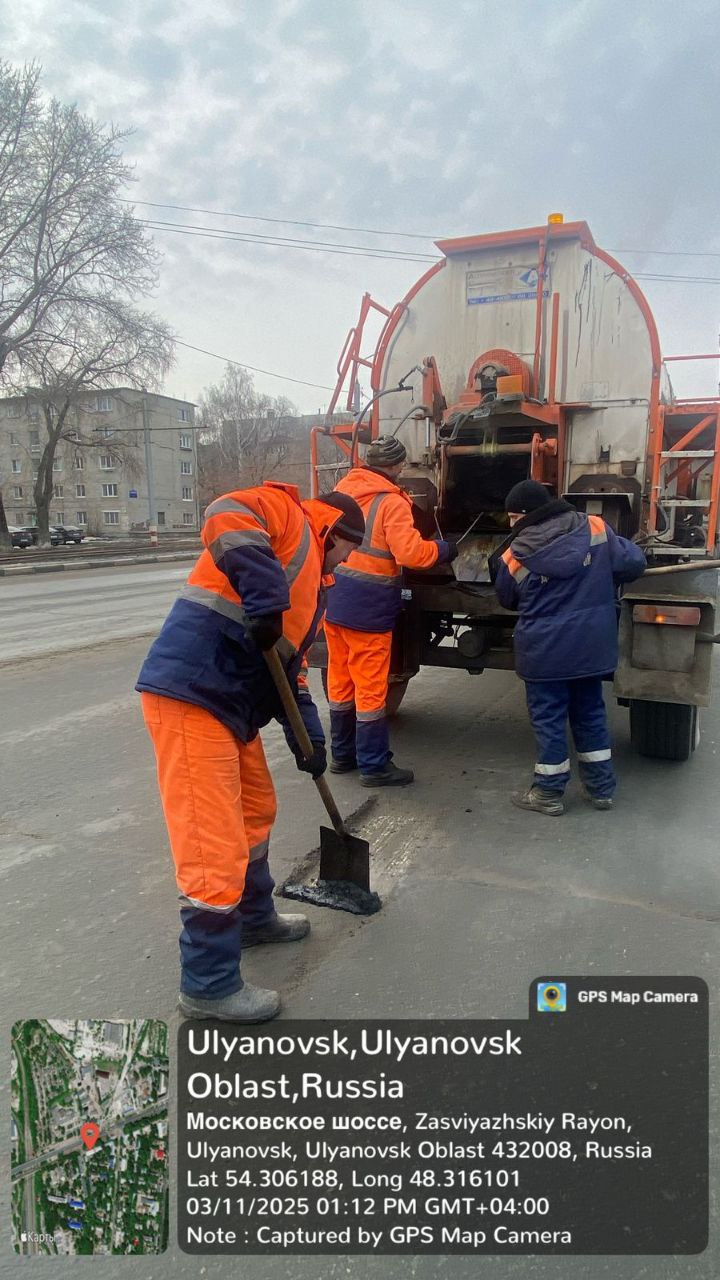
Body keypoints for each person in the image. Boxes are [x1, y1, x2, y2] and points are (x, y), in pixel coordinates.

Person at [136, 480, 365, 1022]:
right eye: (351, 550)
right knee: (210, 842)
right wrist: (264, 593)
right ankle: (208, 984)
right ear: (336, 530)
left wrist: (308, 739)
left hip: (230, 708)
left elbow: (291, 672)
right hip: (192, 693)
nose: (347, 562)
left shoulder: (313, 584)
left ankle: (254, 918)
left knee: (256, 810)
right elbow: (225, 510)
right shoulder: (286, 515)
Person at [492, 479, 646, 815]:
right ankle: (601, 790)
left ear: (522, 515)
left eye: (512, 517)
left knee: (549, 720)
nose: (510, 524)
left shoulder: (513, 554)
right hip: (591, 648)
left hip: (544, 652)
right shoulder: (594, 528)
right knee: (590, 713)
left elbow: (507, 598)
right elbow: (633, 564)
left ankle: (548, 792)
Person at [324, 435, 457, 785]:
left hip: (333, 600)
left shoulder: (343, 492)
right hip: (368, 608)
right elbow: (411, 555)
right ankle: (374, 765)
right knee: (370, 689)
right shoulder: (391, 503)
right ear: (396, 466)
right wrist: (443, 551)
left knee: (340, 680)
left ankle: (341, 756)